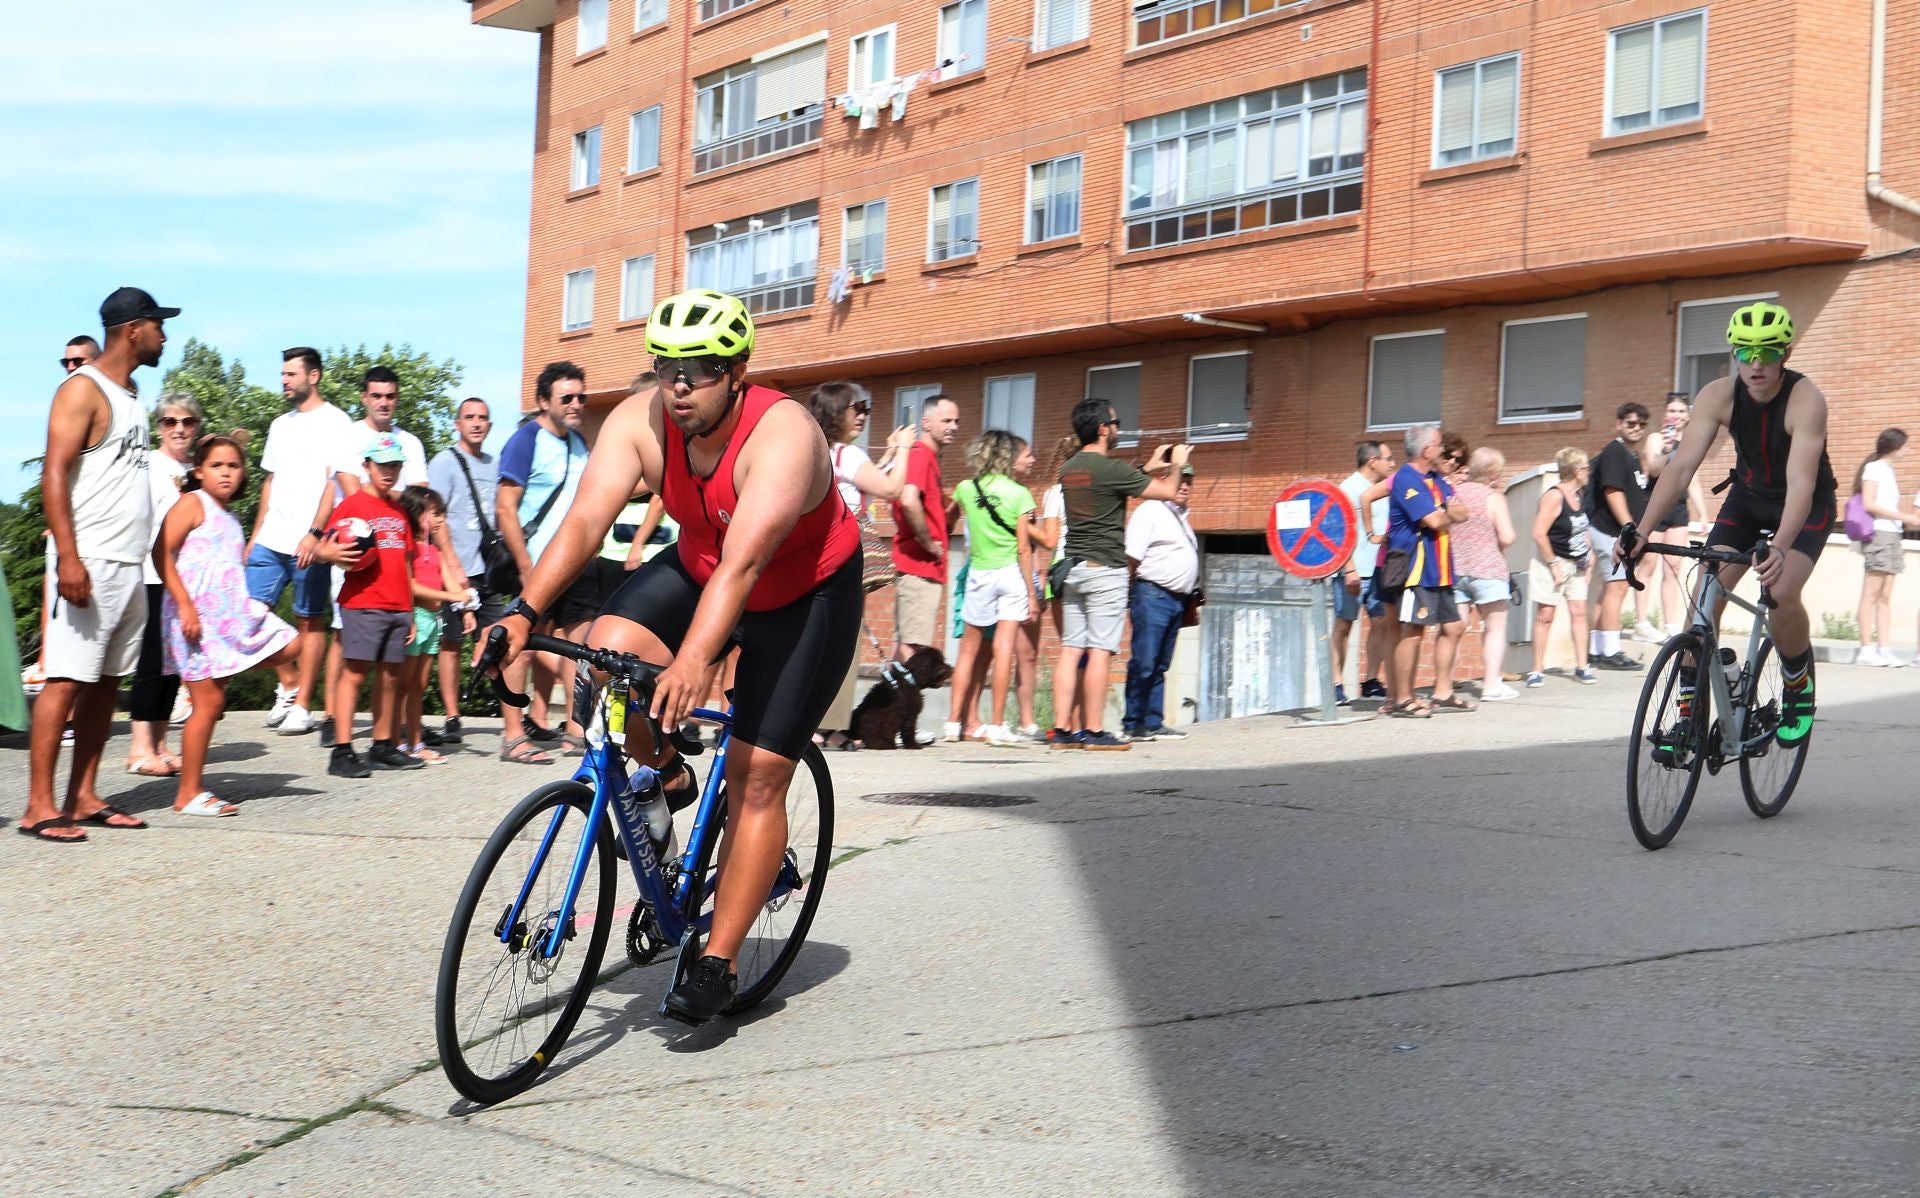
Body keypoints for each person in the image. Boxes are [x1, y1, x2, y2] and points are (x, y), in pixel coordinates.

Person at [478, 288, 861, 1024]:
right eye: (666, 366)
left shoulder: (784, 436)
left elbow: (746, 569)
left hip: (802, 593)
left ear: (739, 369)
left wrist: (691, 662)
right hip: (698, 561)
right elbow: (588, 519)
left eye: (703, 369)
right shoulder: (642, 420)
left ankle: (717, 958)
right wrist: (524, 613)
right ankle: (668, 772)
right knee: (602, 659)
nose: (680, 385)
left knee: (757, 776)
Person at [1623, 301, 1836, 748]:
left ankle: (1797, 684)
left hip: (1806, 504)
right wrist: (1642, 530)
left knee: (1779, 591)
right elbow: (1680, 469)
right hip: (1748, 500)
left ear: (1787, 353)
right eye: (1745, 352)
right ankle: (1691, 715)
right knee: (1704, 598)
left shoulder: (1806, 400)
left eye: (1768, 353)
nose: (1756, 364)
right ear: (1733, 353)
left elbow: (1800, 484)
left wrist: (1779, 547)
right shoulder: (1717, 395)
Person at [20, 287, 175, 843]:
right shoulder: (81, 390)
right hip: (88, 559)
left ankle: (81, 796)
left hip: (128, 563)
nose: (165, 335)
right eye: (158, 324)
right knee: (64, 680)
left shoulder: (132, 394)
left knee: (106, 683)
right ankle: (39, 806)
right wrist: (67, 557)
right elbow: (54, 473)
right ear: (133, 328)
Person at [157, 436, 300, 816]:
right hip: (194, 622)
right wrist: (185, 606)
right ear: (199, 472)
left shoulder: (232, 520)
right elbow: (161, 554)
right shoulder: (192, 503)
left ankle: (192, 788)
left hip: (226, 625)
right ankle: (188, 793)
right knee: (210, 703)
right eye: (217, 465)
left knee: (290, 645)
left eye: (233, 466)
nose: (226, 472)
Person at [318, 366, 460, 745]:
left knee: (392, 668)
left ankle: (389, 737)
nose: (383, 402)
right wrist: (324, 543)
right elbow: (348, 492)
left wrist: (448, 560)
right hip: (361, 561)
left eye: (390, 396)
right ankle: (335, 723)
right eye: (376, 395)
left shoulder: (409, 443)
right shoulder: (350, 440)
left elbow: (420, 503)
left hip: (398, 578)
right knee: (347, 647)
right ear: (365, 397)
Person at [1050, 396, 1191, 749]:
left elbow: (1113, 485)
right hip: (1104, 571)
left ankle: (1062, 731)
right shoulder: (1112, 469)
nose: (1118, 428)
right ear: (1102, 429)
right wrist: (1177, 465)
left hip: (1074, 569)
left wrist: (1148, 468)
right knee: (1100, 650)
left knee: (1070, 650)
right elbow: (1170, 493)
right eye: (1115, 422)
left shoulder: (1069, 470)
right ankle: (1095, 732)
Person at [248, 347, 354, 737]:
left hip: (311, 541)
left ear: (314, 376)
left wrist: (315, 532)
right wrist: (256, 534)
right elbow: (270, 480)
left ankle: (304, 705)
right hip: (271, 537)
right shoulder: (279, 425)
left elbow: (335, 482)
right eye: (282, 374)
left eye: (291, 374)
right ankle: (289, 684)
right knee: (248, 614)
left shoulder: (338, 422)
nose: (284, 380)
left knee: (310, 621)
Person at [496, 362, 592, 759]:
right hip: (537, 563)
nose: (575, 404)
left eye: (580, 397)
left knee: (580, 647)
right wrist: (525, 566)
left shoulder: (579, 443)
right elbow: (505, 507)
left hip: (578, 563)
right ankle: (514, 735)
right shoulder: (526, 440)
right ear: (542, 401)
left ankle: (575, 730)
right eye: (566, 398)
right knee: (519, 645)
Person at [808, 381, 912, 748]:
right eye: (858, 408)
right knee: (843, 641)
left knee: (813, 636)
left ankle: (811, 721)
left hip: (812, 548)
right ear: (839, 413)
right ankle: (829, 727)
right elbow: (892, 489)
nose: (864, 415)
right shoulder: (848, 454)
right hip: (844, 548)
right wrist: (904, 451)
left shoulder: (814, 450)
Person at [326, 434, 427, 778]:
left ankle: (383, 744)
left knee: (390, 678)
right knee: (354, 675)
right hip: (363, 602)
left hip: (398, 606)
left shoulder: (399, 509)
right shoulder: (352, 504)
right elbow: (328, 544)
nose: (389, 471)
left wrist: (411, 611)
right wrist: (329, 553)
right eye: (382, 465)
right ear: (367, 466)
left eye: (396, 465)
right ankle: (341, 751)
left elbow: (407, 560)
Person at [125, 392, 200, 777]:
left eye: (187, 422)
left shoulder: (198, 469)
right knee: (152, 663)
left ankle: (159, 743)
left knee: (173, 667)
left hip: (184, 582)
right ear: (159, 428)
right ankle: (139, 748)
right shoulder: (150, 465)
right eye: (170, 422)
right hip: (152, 576)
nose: (179, 429)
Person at [949, 431, 1041, 745]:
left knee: (968, 652)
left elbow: (949, 518)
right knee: (1004, 649)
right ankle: (998, 724)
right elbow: (1024, 548)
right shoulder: (1019, 494)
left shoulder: (965, 488)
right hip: (1010, 574)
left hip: (979, 572)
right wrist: (1031, 592)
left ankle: (952, 723)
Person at [426, 397, 504, 748]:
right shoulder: (444, 462)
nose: (476, 423)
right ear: (457, 424)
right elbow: (434, 516)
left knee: (498, 639)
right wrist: (450, 566)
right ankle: (452, 715)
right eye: (469, 417)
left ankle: (506, 711)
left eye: (483, 418)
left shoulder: (496, 463)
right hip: (455, 569)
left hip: (489, 570)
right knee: (452, 642)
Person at [1383, 423, 1475, 717]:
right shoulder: (1406, 480)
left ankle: (1443, 692)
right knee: (1412, 631)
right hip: (1416, 568)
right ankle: (1402, 699)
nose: (1443, 450)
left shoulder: (1436, 478)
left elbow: (1461, 512)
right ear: (1426, 451)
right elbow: (1434, 521)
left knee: (1453, 626)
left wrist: (1442, 513)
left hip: (1443, 568)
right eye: (1438, 445)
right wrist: (1443, 514)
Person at [1122, 464, 1200, 739]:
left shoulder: (1181, 516)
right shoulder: (1150, 509)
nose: (1184, 485)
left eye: (1189, 481)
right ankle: (1133, 723)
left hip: (1176, 600)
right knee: (1144, 661)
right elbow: (1132, 556)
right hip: (1152, 595)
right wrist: (1130, 593)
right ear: (1164, 480)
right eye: (1180, 479)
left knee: (1160, 665)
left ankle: (1153, 722)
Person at [395, 488, 472, 763]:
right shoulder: (408, 549)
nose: (441, 520)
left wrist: (466, 607)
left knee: (419, 684)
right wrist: (452, 597)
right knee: (403, 684)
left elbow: (451, 582)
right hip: (414, 618)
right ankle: (395, 740)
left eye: (442, 514)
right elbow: (412, 587)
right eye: (435, 514)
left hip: (432, 622)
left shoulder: (433, 551)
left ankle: (415, 742)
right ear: (416, 514)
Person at [1585, 403, 1659, 670]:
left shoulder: (1631, 455)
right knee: (1617, 587)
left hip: (1617, 533)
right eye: (1631, 423)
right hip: (1610, 531)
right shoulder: (1615, 452)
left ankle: (1595, 648)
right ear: (1619, 424)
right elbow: (1612, 492)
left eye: (1641, 424)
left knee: (1610, 589)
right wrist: (1630, 526)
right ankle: (1611, 651)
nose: (1636, 428)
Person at [890, 394, 960, 662]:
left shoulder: (925, 458)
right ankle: (903, 705)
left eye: (956, 421)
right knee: (913, 650)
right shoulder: (920, 455)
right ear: (926, 422)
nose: (953, 426)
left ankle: (892, 704)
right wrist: (929, 544)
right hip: (919, 567)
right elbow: (907, 500)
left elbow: (894, 503)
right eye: (946, 420)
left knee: (906, 647)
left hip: (919, 567)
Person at [1449, 448, 1518, 701]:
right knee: (1494, 628)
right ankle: (1491, 685)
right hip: (1488, 569)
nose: (1499, 478)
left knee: (1453, 630)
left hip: (1455, 569)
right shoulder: (1493, 497)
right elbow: (1508, 536)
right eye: (1498, 473)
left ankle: (1445, 684)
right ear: (1490, 474)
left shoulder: (1453, 493)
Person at [1527, 449, 1598, 687]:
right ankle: (1536, 670)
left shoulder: (1579, 495)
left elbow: (1581, 528)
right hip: (1553, 561)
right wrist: (1554, 564)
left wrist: (1590, 556)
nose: (1589, 471)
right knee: (1545, 614)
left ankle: (1582, 666)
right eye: (1586, 468)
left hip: (1577, 563)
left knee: (1579, 611)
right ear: (1577, 471)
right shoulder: (1554, 496)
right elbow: (1538, 533)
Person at [1335, 441, 1395, 704]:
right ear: (1373, 461)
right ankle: (1335, 685)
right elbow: (1338, 533)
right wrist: (1349, 569)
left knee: (1381, 622)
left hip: (1379, 568)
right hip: (1354, 569)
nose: (1392, 464)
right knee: (1344, 625)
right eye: (1388, 459)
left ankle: (1370, 681)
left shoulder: (1385, 490)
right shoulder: (1347, 490)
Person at [1852, 429, 1918, 665]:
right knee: (1871, 593)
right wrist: (1905, 517)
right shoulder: (1875, 469)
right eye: (1905, 446)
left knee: (1885, 595)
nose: (1907, 450)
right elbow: (1870, 504)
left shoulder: (1888, 471)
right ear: (1894, 446)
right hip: (1879, 533)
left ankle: (1884, 648)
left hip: (1892, 535)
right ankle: (1866, 649)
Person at [1031, 433, 1081, 736]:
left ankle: (1064, 723)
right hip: (1093, 566)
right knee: (1089, 650)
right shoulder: (1095, 489)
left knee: (1070, 649)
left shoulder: (1054, 493)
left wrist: (1025, 528)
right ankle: (1082, 723)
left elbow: (1050, 539)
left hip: (1061, 570)